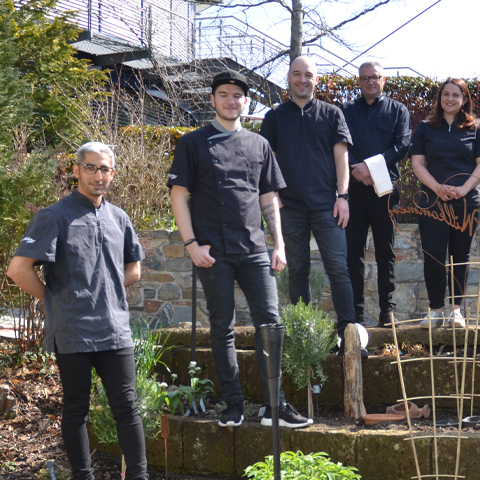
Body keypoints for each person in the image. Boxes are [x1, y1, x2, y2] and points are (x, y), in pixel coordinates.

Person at [168, 70, 311, 428]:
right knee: (222, 327)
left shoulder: (258, 144)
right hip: (212, 251)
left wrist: (278, 244)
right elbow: (179, 196)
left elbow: (268, 196)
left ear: (246, 102)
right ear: (213, 100)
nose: (232, 101)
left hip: (253, 248)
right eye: (224, 95)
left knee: (271, 323)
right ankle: (232, 403)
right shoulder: (192, 143)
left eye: (238, 96)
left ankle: (274, 406)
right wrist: (190, 244)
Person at [6, 142, 149, 479]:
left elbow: (134, 269)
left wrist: (106, 289)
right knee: (76, 410)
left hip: (115, 330)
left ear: (112, 173)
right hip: (73, 331)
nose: (97, 175)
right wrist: (55, 300)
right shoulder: (53, 216)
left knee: (128, 408)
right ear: (76, 170)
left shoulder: (119, 218)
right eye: (90, 167)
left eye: (104, 169)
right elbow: (18, 269)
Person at [259, 56, 362, 347]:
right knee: (298, 271)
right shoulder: (274, 117)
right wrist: (273, 193)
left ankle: (348, 334)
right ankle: (304, 334)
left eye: (309, 75)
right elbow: (268, 161)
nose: (302, 79)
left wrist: (343, 196)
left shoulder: (332, 114)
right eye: (297, 74)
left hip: (327, 206)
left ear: (316, 80)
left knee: (339, 269)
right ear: (288, 78)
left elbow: (341, 157)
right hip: (289, 208)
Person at [410, 78, 480, 327]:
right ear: (439, 98)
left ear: (464, 99)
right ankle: (436, 311)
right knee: (434, 256)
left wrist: (463, 189)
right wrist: (437, 188)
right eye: (445, 94)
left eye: (456, 95)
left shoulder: (476, 127)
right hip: (432, 203)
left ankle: (456, 311)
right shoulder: (425, 128)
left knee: (460, 256)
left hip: (467, 202)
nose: (450, 99)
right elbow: (417, 164)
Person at [342, 61, 411, 327]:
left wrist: (370, 168)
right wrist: (358, 170)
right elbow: (340, 143)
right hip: (353, 191)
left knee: (386, 252)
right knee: (353, 254)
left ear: (384, 80)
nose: (370, 81)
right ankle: (355, 315)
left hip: (385, 191)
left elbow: (402, 144)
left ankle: (387, 312)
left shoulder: (398, 110)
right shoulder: (346, 110)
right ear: (358, 82)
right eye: (365, 78)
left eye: (375, 77)